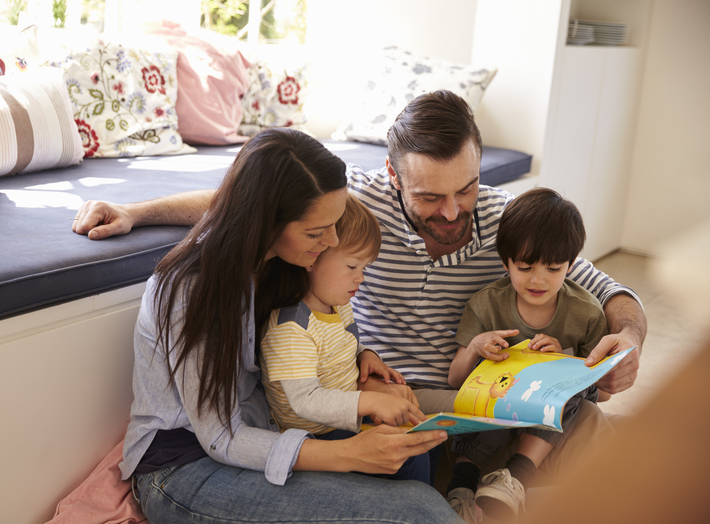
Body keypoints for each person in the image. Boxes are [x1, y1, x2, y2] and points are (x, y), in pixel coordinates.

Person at [73, 90, 646, 486]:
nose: (452, 212)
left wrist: (629, 338)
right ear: (394, 177)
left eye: (466, 188)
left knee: (595, 430)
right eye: (429, 197)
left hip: (466, 390)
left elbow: (606, 287)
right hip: (382, 399)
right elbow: (248, 204)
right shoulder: (352, 210)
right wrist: (136, 210)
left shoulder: (506, 220)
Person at [116, 127, 458, 524]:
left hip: (266, 433)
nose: (330, 241)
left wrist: (363, 361)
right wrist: (348, 454)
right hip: (185, 470)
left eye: (333, 223)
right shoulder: (191, 290)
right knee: (419, 511)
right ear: (266, 222)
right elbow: (220, 436)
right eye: (316, 232)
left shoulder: (283, 259)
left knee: (408, 463)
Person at [444, 187, 611, 522]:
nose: (538, 279)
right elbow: (455, 379)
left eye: (553, 268)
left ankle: (515, 477)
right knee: (487, 390)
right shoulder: (485, 304)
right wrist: (476, 347)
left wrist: (563, 361)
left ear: (571, 265)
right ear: (506, 261)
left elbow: (601, 392)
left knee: (570, 389)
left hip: (550, 410)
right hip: (497, 398)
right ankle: (461, 486)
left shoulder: (587, 313)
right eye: (524, 267)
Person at [260, 193, 430, 484]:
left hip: (347, 414)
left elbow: (342, 342)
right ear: (312, 258)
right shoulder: (291, 328)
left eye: (364, 268)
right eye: (352, 267)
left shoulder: (337, 304)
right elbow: (305, 401)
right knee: (409, 454)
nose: (360, 278)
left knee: (424, 440)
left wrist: (366, 355)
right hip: (317, 435)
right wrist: (371, 402)